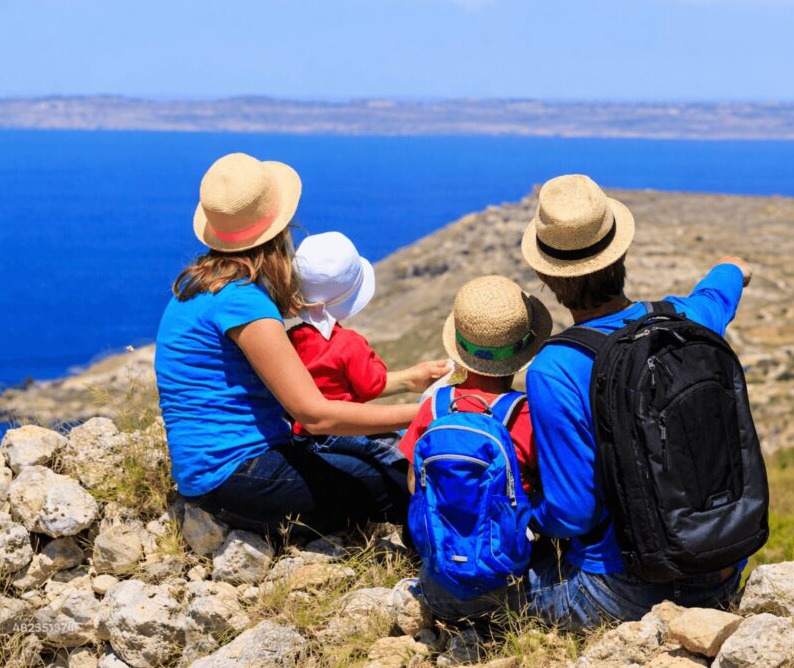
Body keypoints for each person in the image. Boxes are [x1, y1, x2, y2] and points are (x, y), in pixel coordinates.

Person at [155, 152, 447, 539]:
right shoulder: (243, 302)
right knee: (400, 482)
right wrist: (426, 412)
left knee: (364, 463)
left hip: (217, 472)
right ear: (279, 231)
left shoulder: (203, 287)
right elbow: (316, 415)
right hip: (237, 475)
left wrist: (405, 381)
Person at [519, 174, 753, 630]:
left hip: (620, 592)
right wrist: (732, 266)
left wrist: (531, 519)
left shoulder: (555, 368)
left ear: (546, 276)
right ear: (620, 254)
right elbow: (723, 284)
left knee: (498, 581)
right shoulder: (685, 319)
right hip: (719, 570)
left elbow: (573, 511)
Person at [399, 275, 552, 620]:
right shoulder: (526, 414)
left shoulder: (434, 407)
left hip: (438, 587)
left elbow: (413, 485)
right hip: (509, 587)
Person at [287, 231, 449, 437]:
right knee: (402, 453)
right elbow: (370, 385)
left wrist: (410, 378)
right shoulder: (349, 342)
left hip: (299, 435)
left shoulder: (291, 337)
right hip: (343, 433)